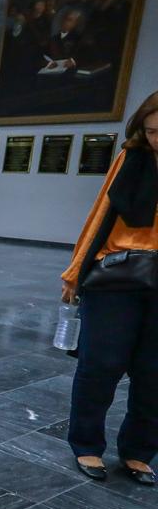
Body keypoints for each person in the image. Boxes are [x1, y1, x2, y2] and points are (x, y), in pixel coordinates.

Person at [60, 90, 158, 486]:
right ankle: (86, 444)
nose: (157, 139)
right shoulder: (131, 160)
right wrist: (74, 274)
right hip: (118, 276)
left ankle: (138, 452)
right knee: (101, 365)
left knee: (154, 374)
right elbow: (99, 216)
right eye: (152, 131)